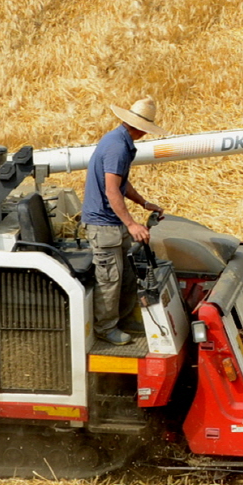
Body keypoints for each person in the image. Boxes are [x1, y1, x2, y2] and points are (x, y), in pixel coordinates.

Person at [82, 96, 165, 346]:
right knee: (110, 279)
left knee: (126, 275)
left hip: (111, 222)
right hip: (103, 224)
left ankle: (125, 319)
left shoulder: (119, 141)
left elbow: (121, 181)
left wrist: (143, 203)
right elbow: (111, 190)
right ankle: (105, 328)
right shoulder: (118, 147)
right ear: (139, 128)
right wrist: (132, 224)